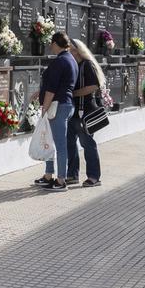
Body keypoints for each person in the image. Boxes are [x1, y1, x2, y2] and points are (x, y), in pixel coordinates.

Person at [35, 32, 77, 191]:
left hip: (57, 107)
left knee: (59, 145)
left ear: (55, 43)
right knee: (50, 143)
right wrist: (38, 94)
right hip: (66, 104)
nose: (50, 46)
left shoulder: (59, 61)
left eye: (51, 43)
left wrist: (44, 108)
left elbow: (51, 90)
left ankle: (61, 180)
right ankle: (48, 176)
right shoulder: (71, 59)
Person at [66, 38, 103, 187]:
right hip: (71, 112)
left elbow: (94, 86)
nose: (70, 52)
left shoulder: (87, 65)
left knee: (87, 144)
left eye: (72, 50)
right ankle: (72, 174)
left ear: (79, 50)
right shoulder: (72, 65)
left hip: (85, 111)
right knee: (70, 144)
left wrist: (74, 93)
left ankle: (94, 176)